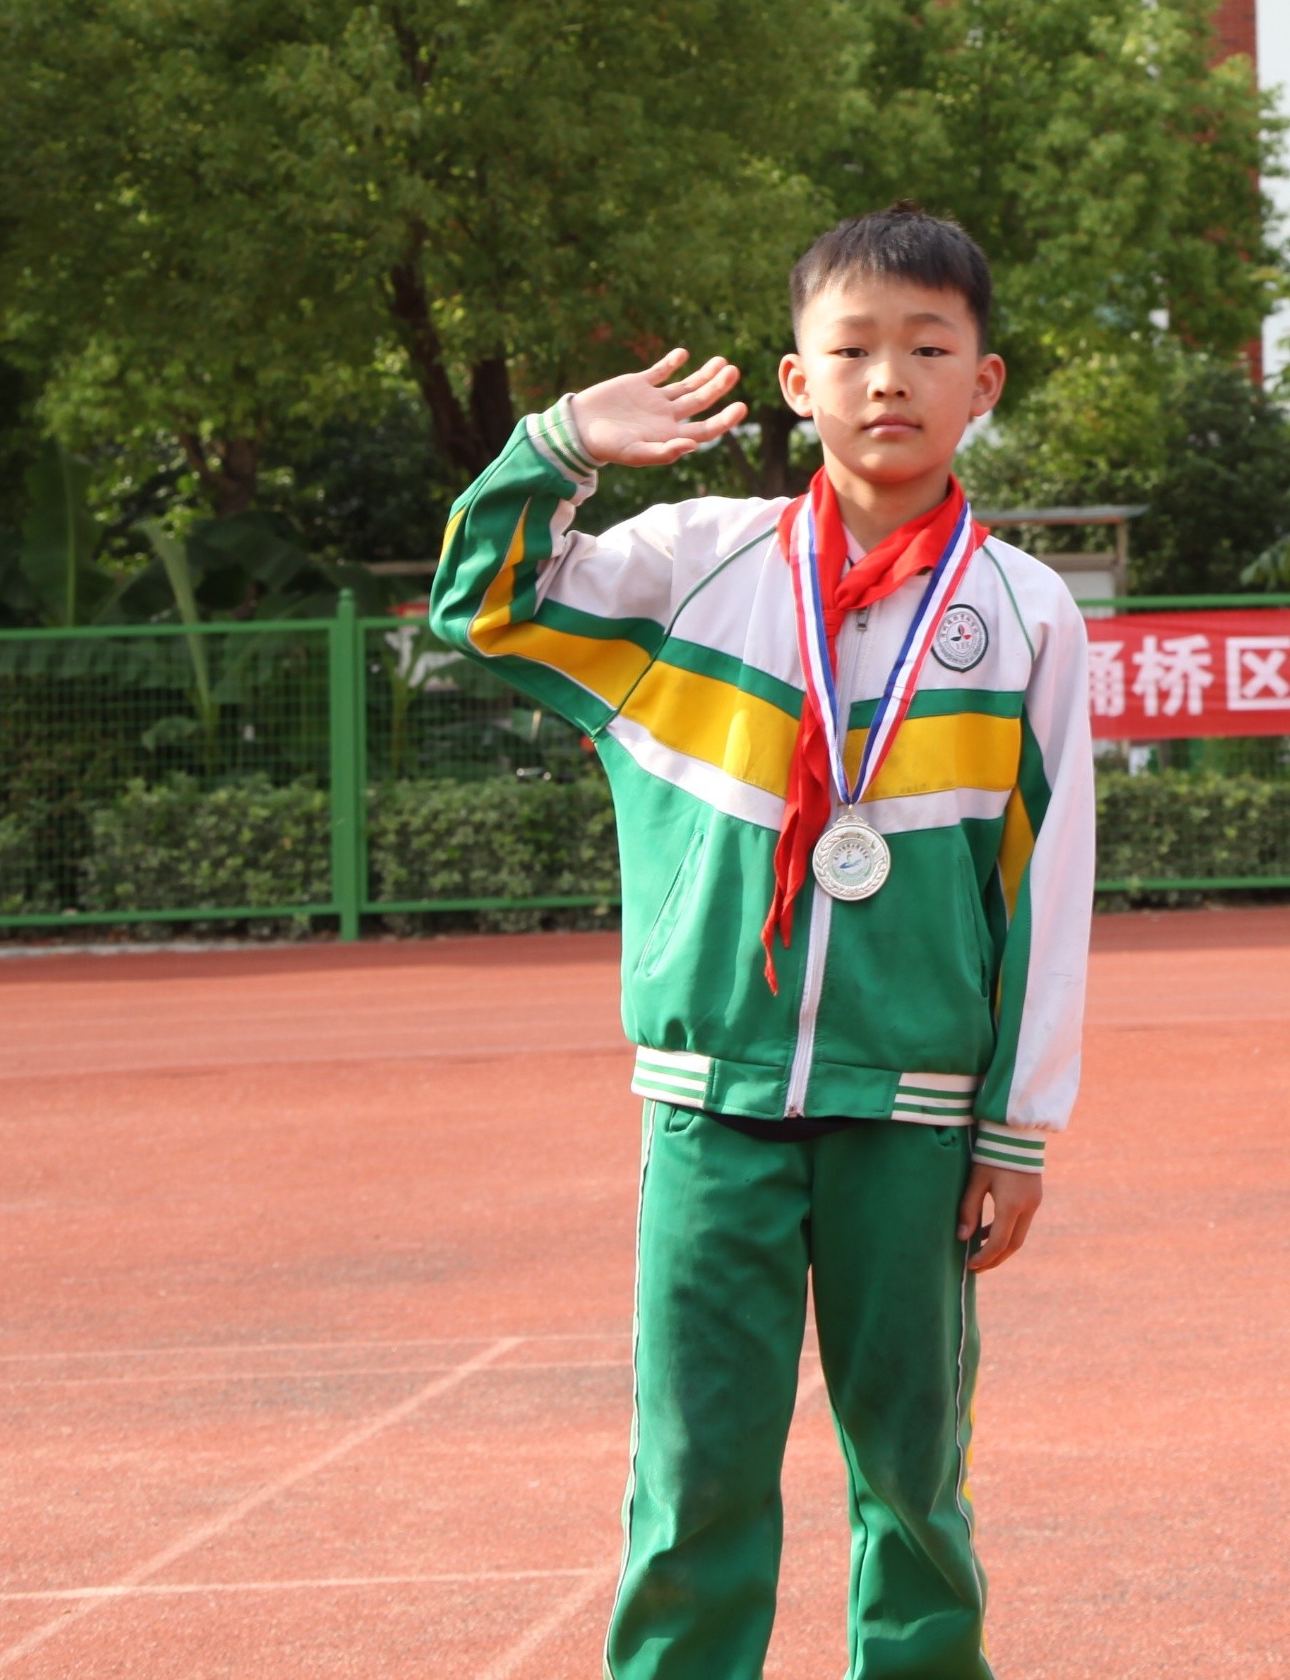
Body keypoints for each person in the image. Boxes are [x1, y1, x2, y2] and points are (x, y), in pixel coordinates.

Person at [428, 203, 1095, 1680]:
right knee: (695, 1479)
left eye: (929, 348)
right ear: (796, 382)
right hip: (707, 1107)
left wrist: (1018, 1124)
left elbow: (1047, 887)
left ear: (983, 383)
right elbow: (476, 613)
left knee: (913, 1488)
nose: (888, 380)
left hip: (912, 1121)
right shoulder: (691, 565)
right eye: (850, 348)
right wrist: (557, 447)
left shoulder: (1025, 615)